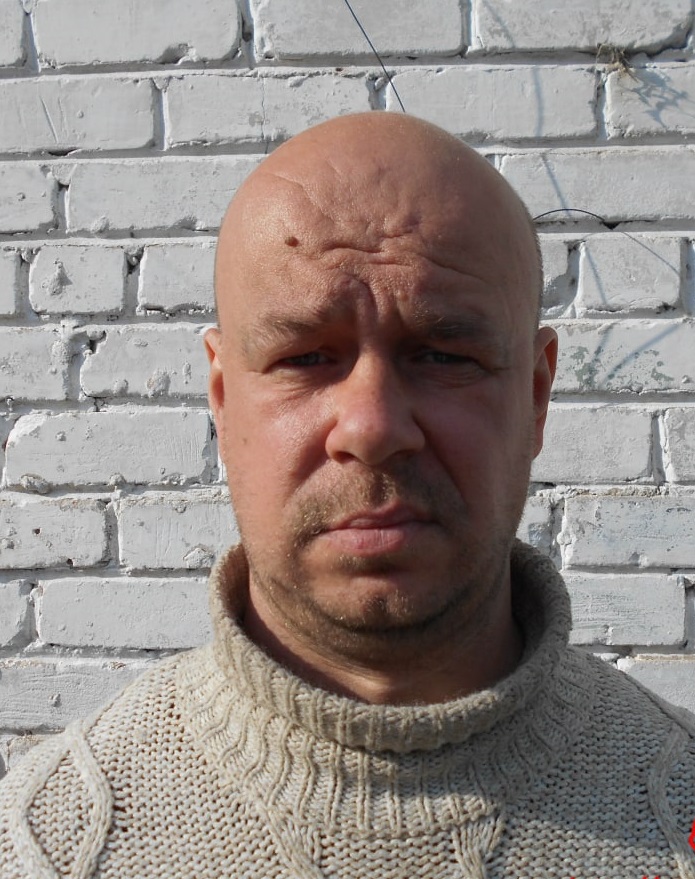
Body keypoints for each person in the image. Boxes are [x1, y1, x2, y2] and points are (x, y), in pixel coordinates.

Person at [0, 112, 694, 879]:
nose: (372, 427)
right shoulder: (46, 847)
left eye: (441, 354)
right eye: (305, 357)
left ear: (534, 396)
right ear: (223, 400)